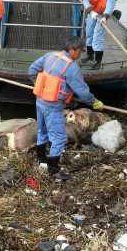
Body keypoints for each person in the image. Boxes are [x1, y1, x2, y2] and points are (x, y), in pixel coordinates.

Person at [28, 41, 100, 175]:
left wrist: (37, 84)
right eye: (80, 51)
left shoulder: (50, 55)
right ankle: (53, 171)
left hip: (40, 102)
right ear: (73, 50)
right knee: (59, 138)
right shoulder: (72, 67)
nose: (80, 54)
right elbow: (83, 92)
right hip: (53, 107)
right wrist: (93, 101)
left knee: (43, 131)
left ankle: (41, 159)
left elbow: (32, 69)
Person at [83, 0, 117, 67]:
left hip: (103, 13)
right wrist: (91, 11)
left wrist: (105, 17)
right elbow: (86, 0)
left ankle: (97, 62)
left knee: (97, 35)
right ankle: (90, 55)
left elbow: (110, 3)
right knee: (89, 32)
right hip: (93, 11)